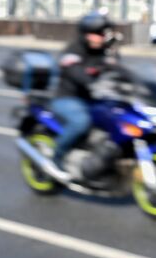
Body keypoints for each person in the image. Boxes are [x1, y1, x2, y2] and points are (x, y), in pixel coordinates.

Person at [50, 12, 121, 174]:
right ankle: (56, 157)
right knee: (81, 122)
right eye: (96, 34)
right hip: (68, 98)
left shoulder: (104, 51)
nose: (100, 38)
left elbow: (118, 69)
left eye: (102, 34)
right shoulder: (73, 50)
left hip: (94, 98)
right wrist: (93, 83)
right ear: (85, 34)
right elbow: (76, 73)